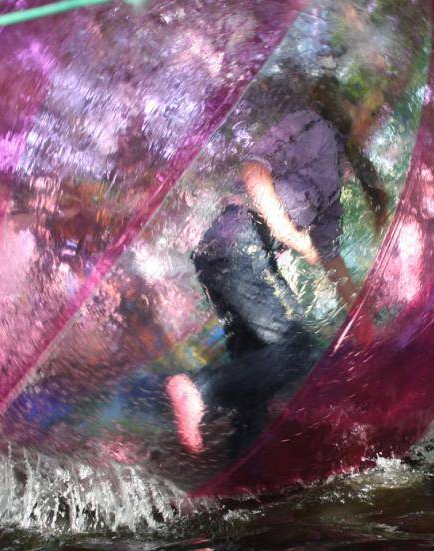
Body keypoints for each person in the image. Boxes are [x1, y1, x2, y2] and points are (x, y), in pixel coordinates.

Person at [166, 81, 389, 456]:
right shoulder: (314, 126)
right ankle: (201, 389)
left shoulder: (335, 177)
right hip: (239, 242)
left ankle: (239, 470)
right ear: (348, 107)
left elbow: (330, 254)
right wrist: (288, 232)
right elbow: (254, 169)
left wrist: (360, 315)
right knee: (299, 349)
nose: (376, 125)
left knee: (256, 374)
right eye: (373, 113)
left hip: (238, 254)